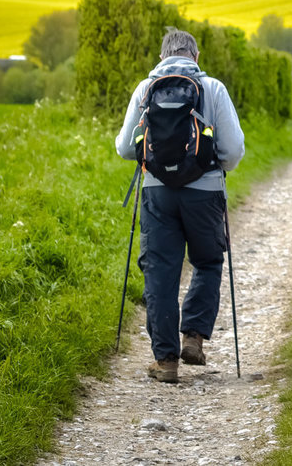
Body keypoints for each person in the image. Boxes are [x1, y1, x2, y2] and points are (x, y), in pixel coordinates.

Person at [114, 28, 245, 384]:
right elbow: (233, 151)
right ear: (196, 56)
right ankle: (194, 337)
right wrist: (216, 170)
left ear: (161, 58)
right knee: (207, 260)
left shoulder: (146, 88)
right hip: (205, 193)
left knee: (159, 271)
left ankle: (166, 360)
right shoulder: (213, 88)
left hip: (157, 193)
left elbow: (126, 148)